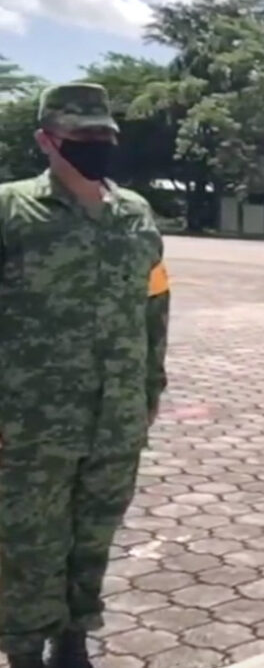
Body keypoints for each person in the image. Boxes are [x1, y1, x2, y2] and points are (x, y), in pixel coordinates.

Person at [0, 83, 171, 668]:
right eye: (82, 137)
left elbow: (155, 307)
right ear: (47, 140)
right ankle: (23, 651)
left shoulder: (136, 213)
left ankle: (72, 641)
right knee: (28, 545)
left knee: (94, 536)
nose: (97, 146)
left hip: (116, 415)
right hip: (30, 421)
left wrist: (150, 389)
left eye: (104, 135)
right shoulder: (11, 209)